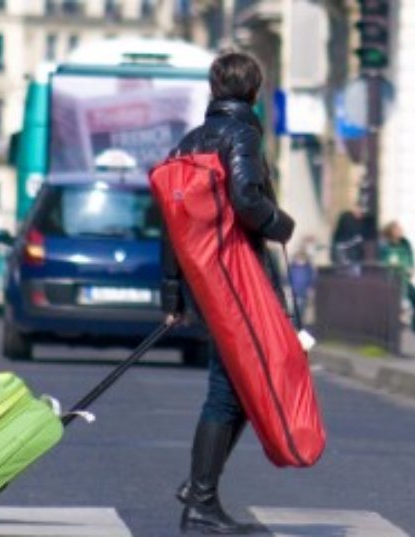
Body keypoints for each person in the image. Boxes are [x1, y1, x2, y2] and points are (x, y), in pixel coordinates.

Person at [161, 51, 295, 535]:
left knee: (240, 385)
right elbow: (246, 198)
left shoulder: (189, 142)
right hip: (237, 279)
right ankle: (200, 500)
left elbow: (172, 225)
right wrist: (280, 223)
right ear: (254, 92)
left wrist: (173, 296)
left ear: (214, 89)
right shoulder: (242, 134)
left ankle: (199, 487)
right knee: (230, 387)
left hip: (203, 279)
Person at [380, 220, 415, 335]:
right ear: (391, 232)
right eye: (398, 229)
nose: (401, 231)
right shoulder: (385, 246)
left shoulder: (405, 243)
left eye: (400, 229)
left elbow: (411, 260)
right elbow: (382, 263)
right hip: (391, 280)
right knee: (393, 306)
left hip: (405, 279)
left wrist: (412, 268)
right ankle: (391, 329)